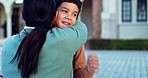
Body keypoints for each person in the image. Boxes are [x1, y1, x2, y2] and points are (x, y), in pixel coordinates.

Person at [1, 0, 87, 78]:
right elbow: (82, 28)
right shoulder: (63, 39)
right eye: (64, 11)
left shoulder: (8, 44)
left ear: (23, 14)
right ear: (55, 15)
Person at [54, 0, 99, 78]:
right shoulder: (42, 34)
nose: (69, 17)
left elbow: (78, 73)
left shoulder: (76, 39)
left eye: (74, 14)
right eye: (65, 11)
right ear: (55, 11)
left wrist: (88, 70)